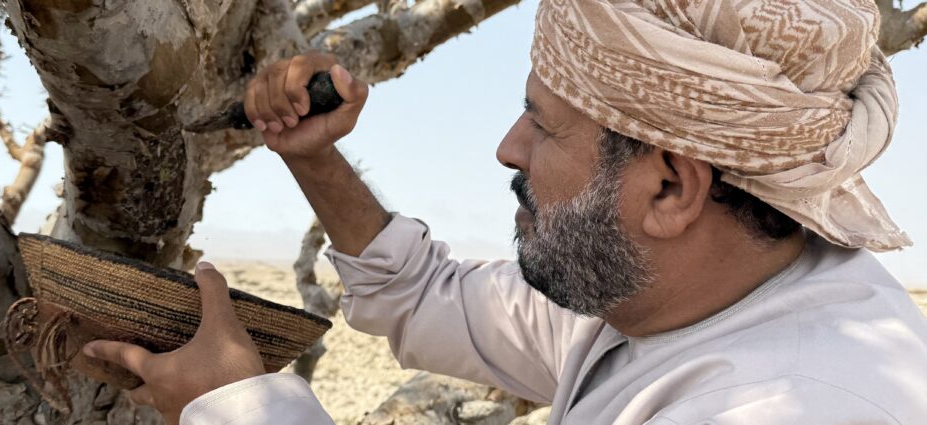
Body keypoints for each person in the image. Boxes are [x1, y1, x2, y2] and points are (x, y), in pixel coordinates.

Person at [82, 0, 927, 422]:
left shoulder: (795, 404)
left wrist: (237, 406)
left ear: (669, 187)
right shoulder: (664, 291)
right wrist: (314, 158)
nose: (507, 148)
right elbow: (425, 297)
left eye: (543, 124)